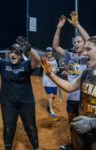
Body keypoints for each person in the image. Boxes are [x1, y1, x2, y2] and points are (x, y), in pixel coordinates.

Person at [0, 35, 40, 150]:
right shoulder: (4, 64)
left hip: (26, 103)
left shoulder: (26, 65)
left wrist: (29, 49)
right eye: (11, 52)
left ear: (21, 55)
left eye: (16, 52)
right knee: (8, 128)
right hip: (8, 104)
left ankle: (36, 147)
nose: (13, 54)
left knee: (31, 127)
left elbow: (37, 60)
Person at [41, 35, 96, 150]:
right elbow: (70, 87)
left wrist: (93, 123)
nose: (85, 54)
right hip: (85, 131)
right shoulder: (87, 72)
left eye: (88, 49)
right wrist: (50, 74)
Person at [52, 11, 89, 150]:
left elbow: (90, 39)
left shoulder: (88, 58)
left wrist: (77, 25)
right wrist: (59, 27)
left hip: (84, 99)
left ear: (85, 45)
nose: (76, 43)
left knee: (85, 127)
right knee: (72, 124)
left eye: (79, 41)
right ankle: (73, 145)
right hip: (72, 97)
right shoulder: (70, 56)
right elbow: (55, 46)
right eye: (75, 41)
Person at [42, 47, 59, 118]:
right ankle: (51, 110)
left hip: (54, 81)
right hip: (47, 81)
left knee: (54, 96)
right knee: (51, 95)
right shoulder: (44, 60)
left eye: (50, 51)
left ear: (52, 52)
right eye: (47, 51)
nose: (49, 52)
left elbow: (56, 69)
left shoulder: (55, 60)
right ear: (46, 53)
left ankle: (49, 106)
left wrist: (57, 70)